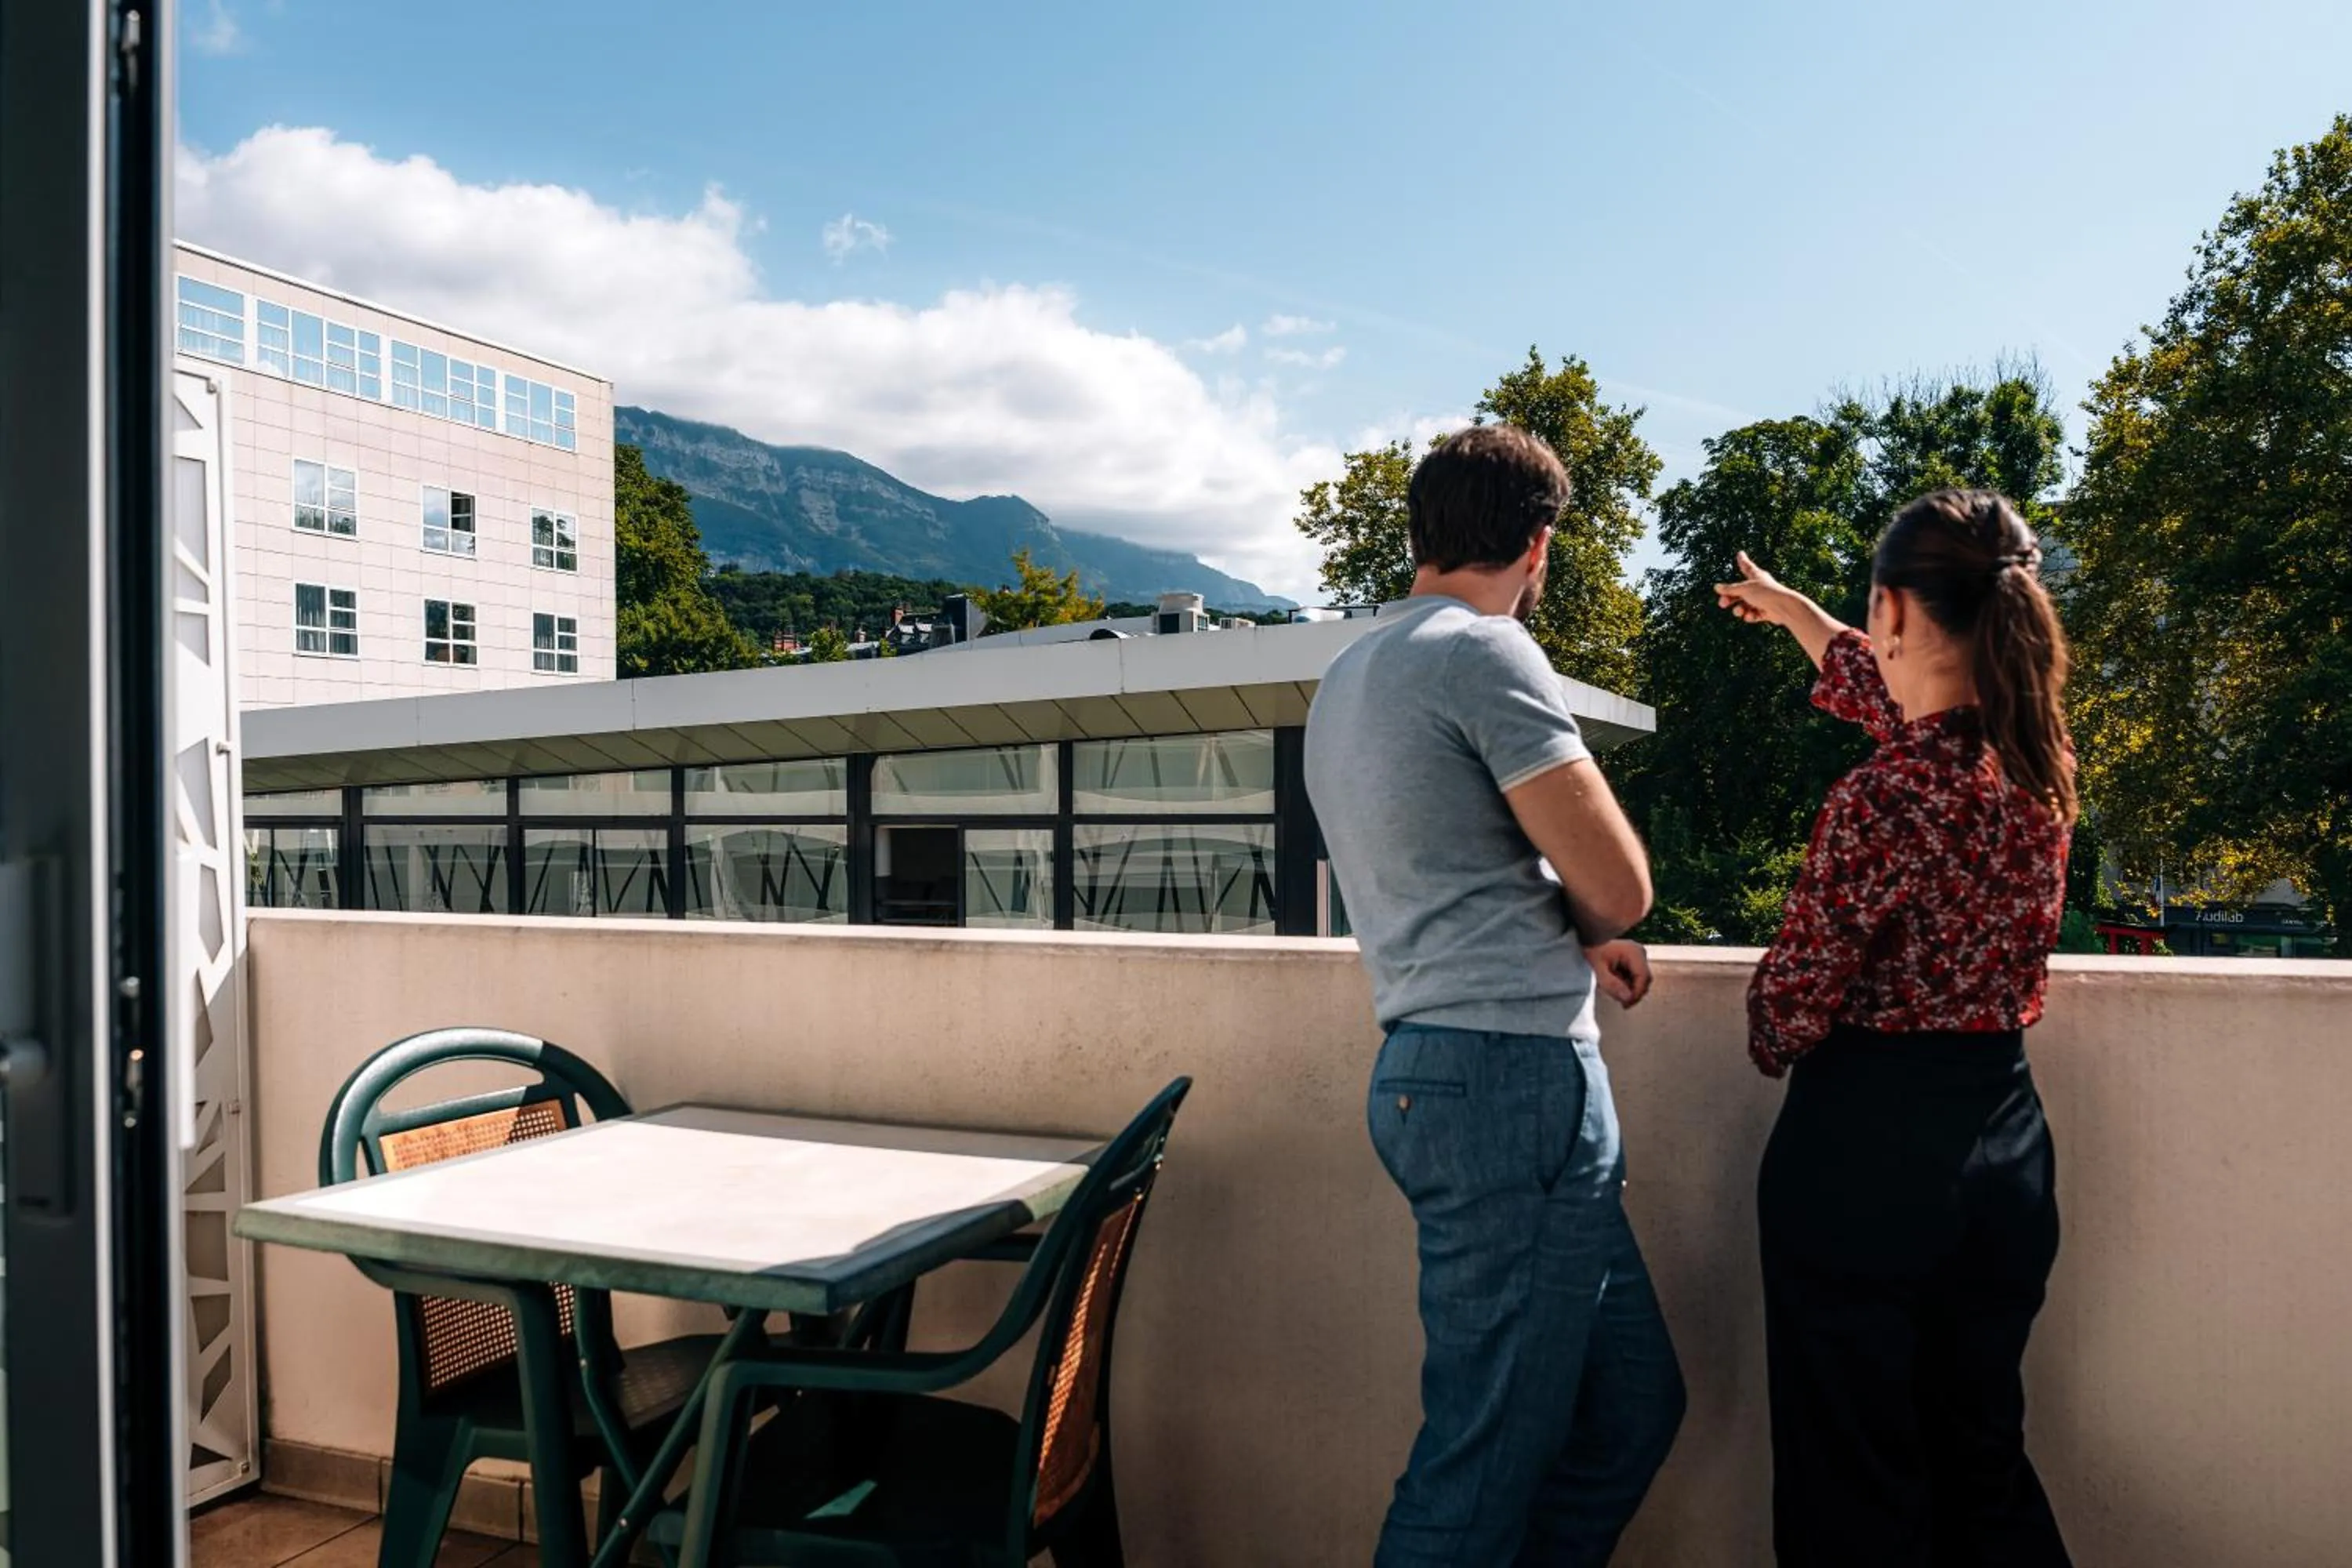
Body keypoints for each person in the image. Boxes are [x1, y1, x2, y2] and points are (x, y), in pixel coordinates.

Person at [1305, 423, 1685, 1566]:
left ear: (1420, 533)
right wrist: (1600, 917)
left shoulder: (1349, 676)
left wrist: (1574, 930)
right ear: (1539, 544)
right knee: (1477, 1460)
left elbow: (1452, 859)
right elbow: (1622, 884)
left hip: (1434, 1070)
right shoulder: (1485, 651)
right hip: (1511, 1080)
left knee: (1631, 1403)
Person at [1715, 488, 2077, 1566]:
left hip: (1867, 1169)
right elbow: (1906, 700)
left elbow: (1787, 1012)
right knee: (1982, 1467)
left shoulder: (1884, 797)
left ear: (1895, 611)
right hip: (2005, 1154)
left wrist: (1772, 1018)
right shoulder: (2038, 764)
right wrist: (1794, 613)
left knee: (1853, 1494)